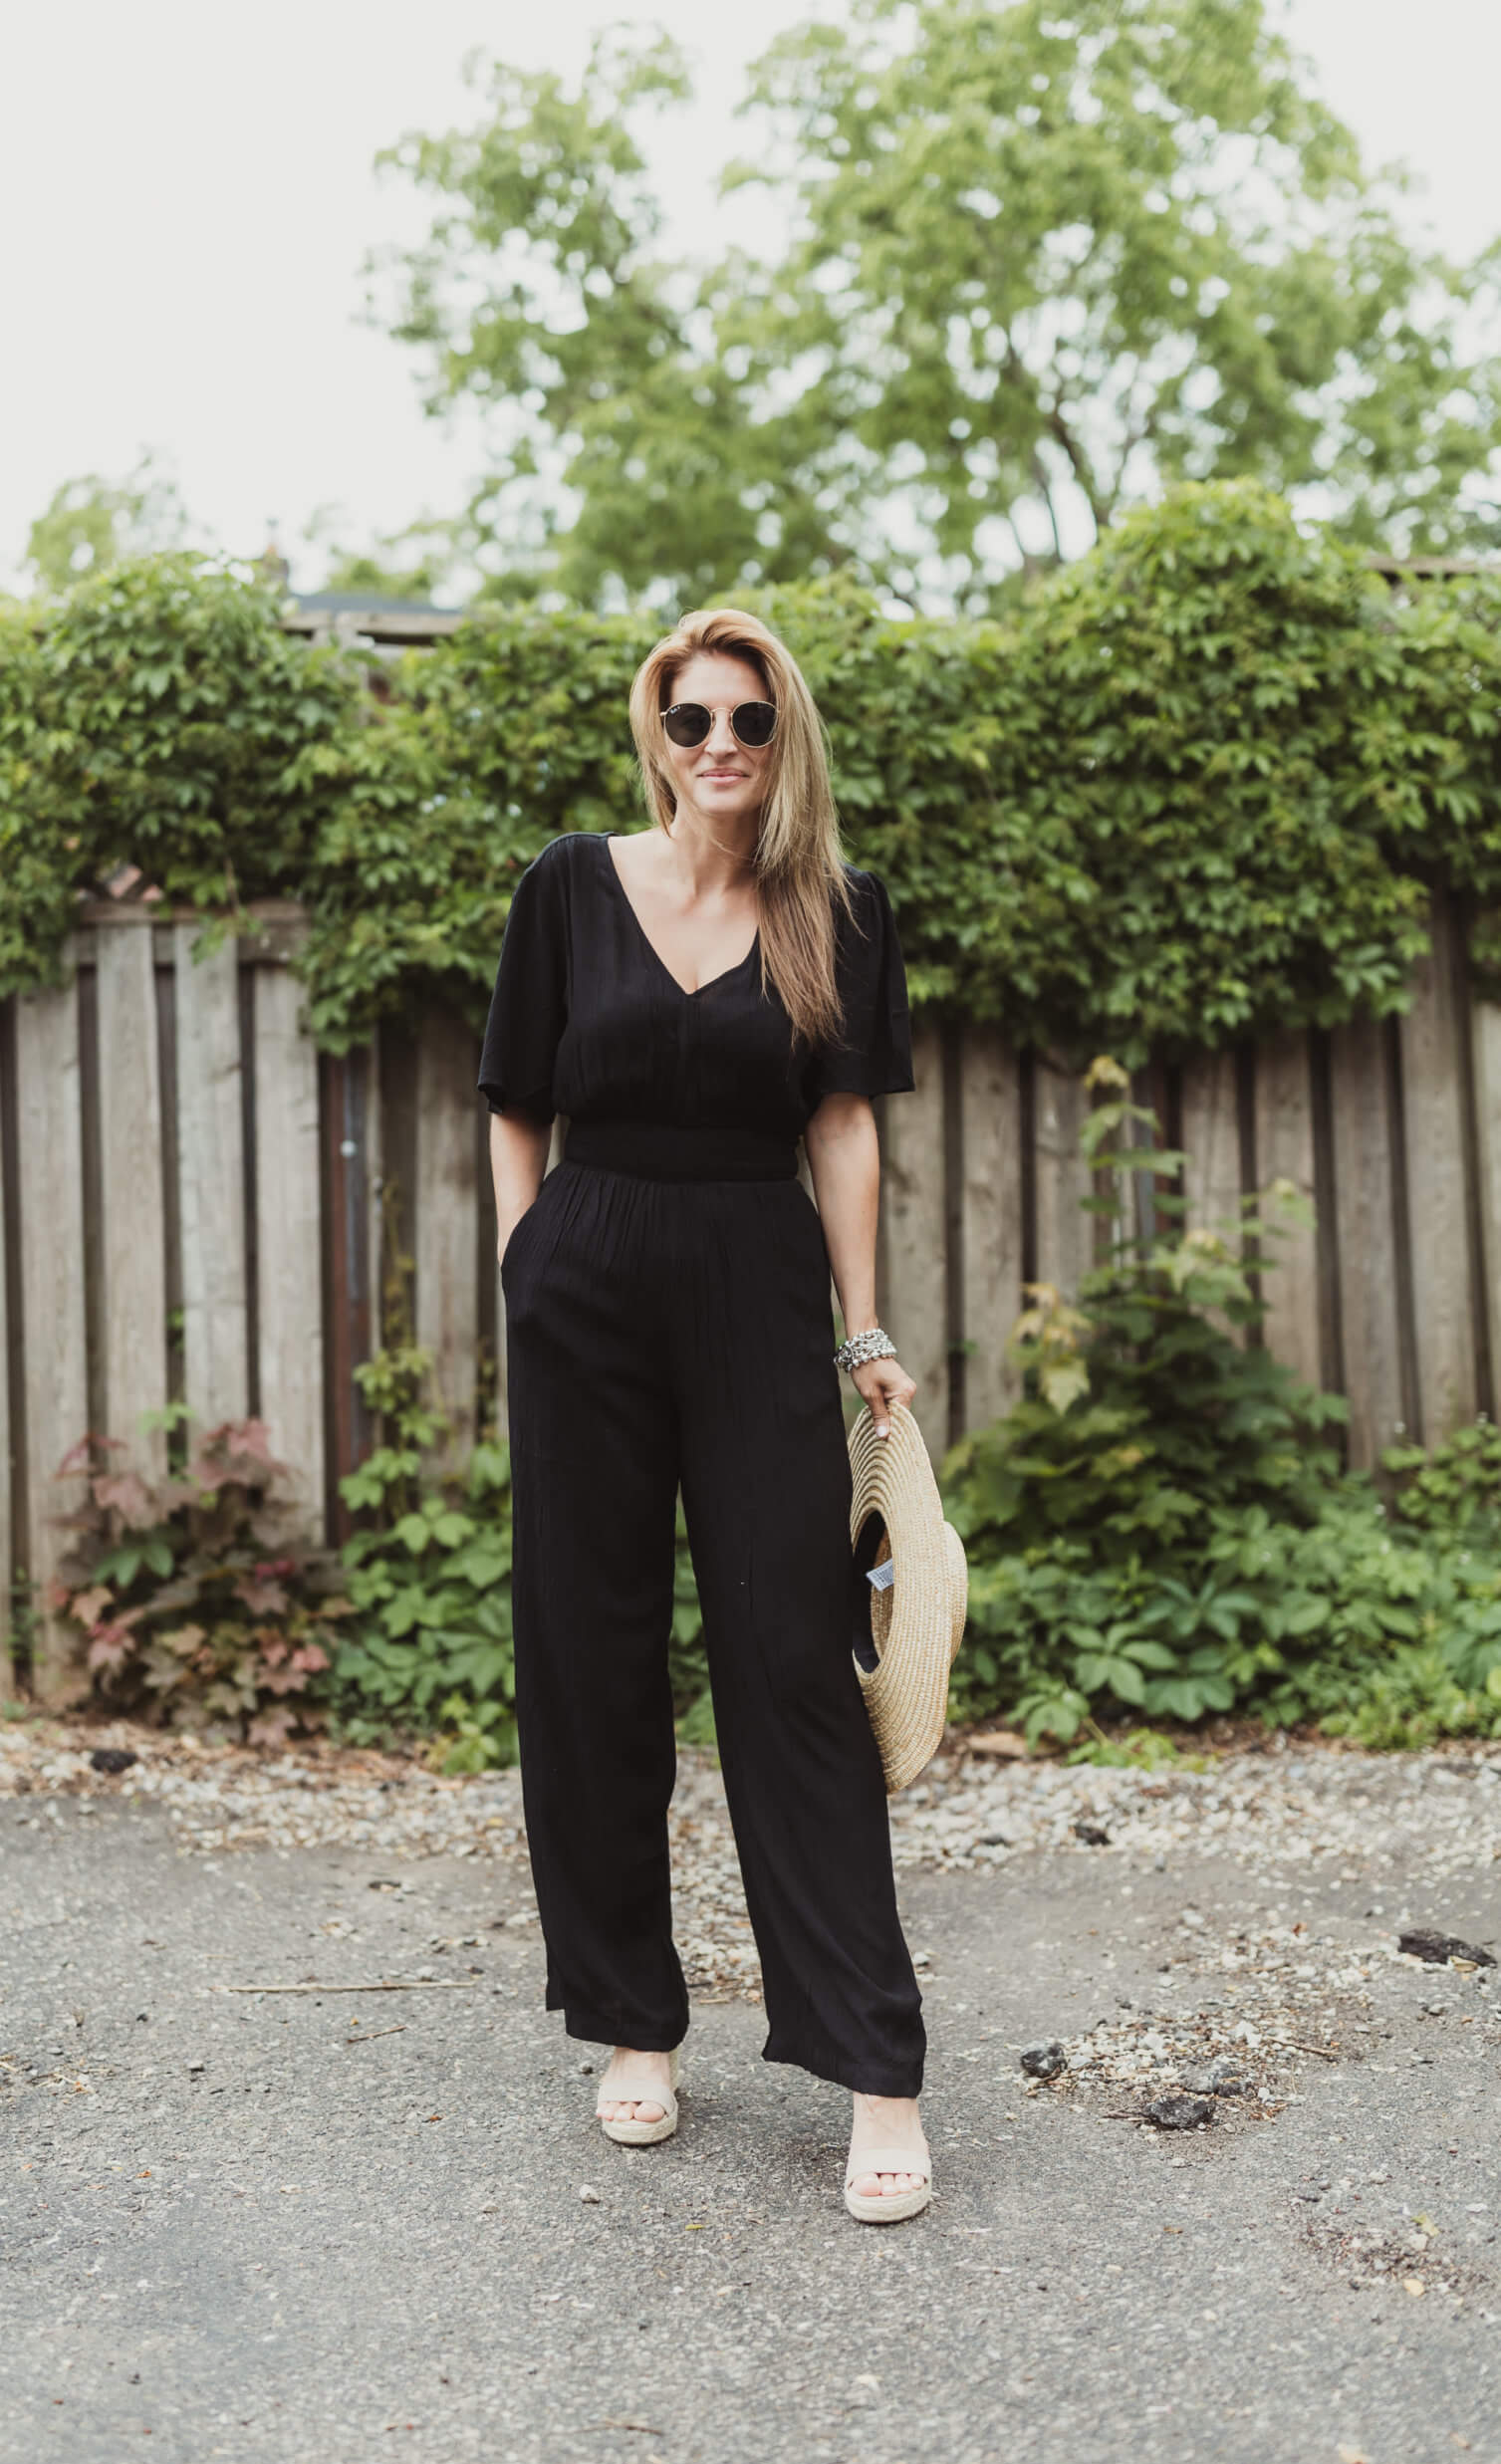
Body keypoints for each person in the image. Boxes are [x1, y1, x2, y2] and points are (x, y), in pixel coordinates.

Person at [476, 608, 931, 2223]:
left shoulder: (836, 911)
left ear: (783, 736)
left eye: (748, 719)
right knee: (589, 1660)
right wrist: (529, 1264)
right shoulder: (567, 888)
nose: (720, 745)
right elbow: (515, 1101)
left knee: (794, 1660)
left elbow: (843, 1127)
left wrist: (863, 1329)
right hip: (586, 1285)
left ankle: (875, 2065)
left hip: (754, 1281)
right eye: (692, 720)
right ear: (655, 735)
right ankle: (633, 2025)